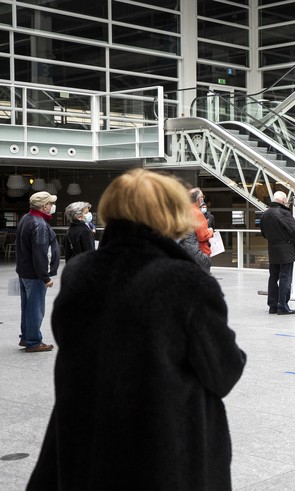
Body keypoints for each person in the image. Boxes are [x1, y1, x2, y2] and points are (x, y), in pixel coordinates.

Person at [27, 169, 247, 489]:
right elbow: (223, 371)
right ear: (170, 212)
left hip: (89, 439)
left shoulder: (80, 272)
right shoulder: (186, 280)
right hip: (165, 449)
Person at [15, 191, 60, 352]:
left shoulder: (26, 218)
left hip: (24, 271)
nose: (52, 206)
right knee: (36, 307)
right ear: (43, 206)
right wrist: (45, 277)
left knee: (27, 306)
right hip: (34, 274)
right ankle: (34, 341)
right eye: (50, 203)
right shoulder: (39, 224)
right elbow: (40, 253)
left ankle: (26, 337)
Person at [260, 191, 295, 315]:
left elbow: (263, 233)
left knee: (273, 277)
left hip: (272, 249)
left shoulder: (265, 214)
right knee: (285, 277)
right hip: (286, 250)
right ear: (283, 200)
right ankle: (282, 306)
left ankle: (272, 305)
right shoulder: (284, 213)